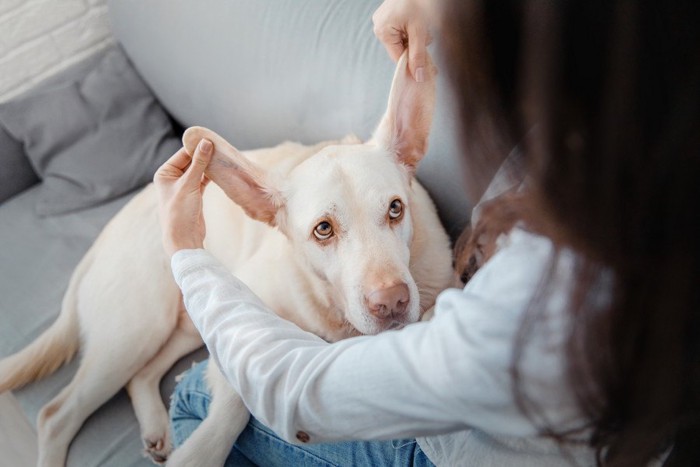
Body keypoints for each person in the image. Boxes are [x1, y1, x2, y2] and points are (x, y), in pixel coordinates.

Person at [157, 1, 700, 466]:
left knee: (192, 399)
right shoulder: (646, 136)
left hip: (452, 451)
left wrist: (187, 254)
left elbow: (299, 397)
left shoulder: (534, 298)